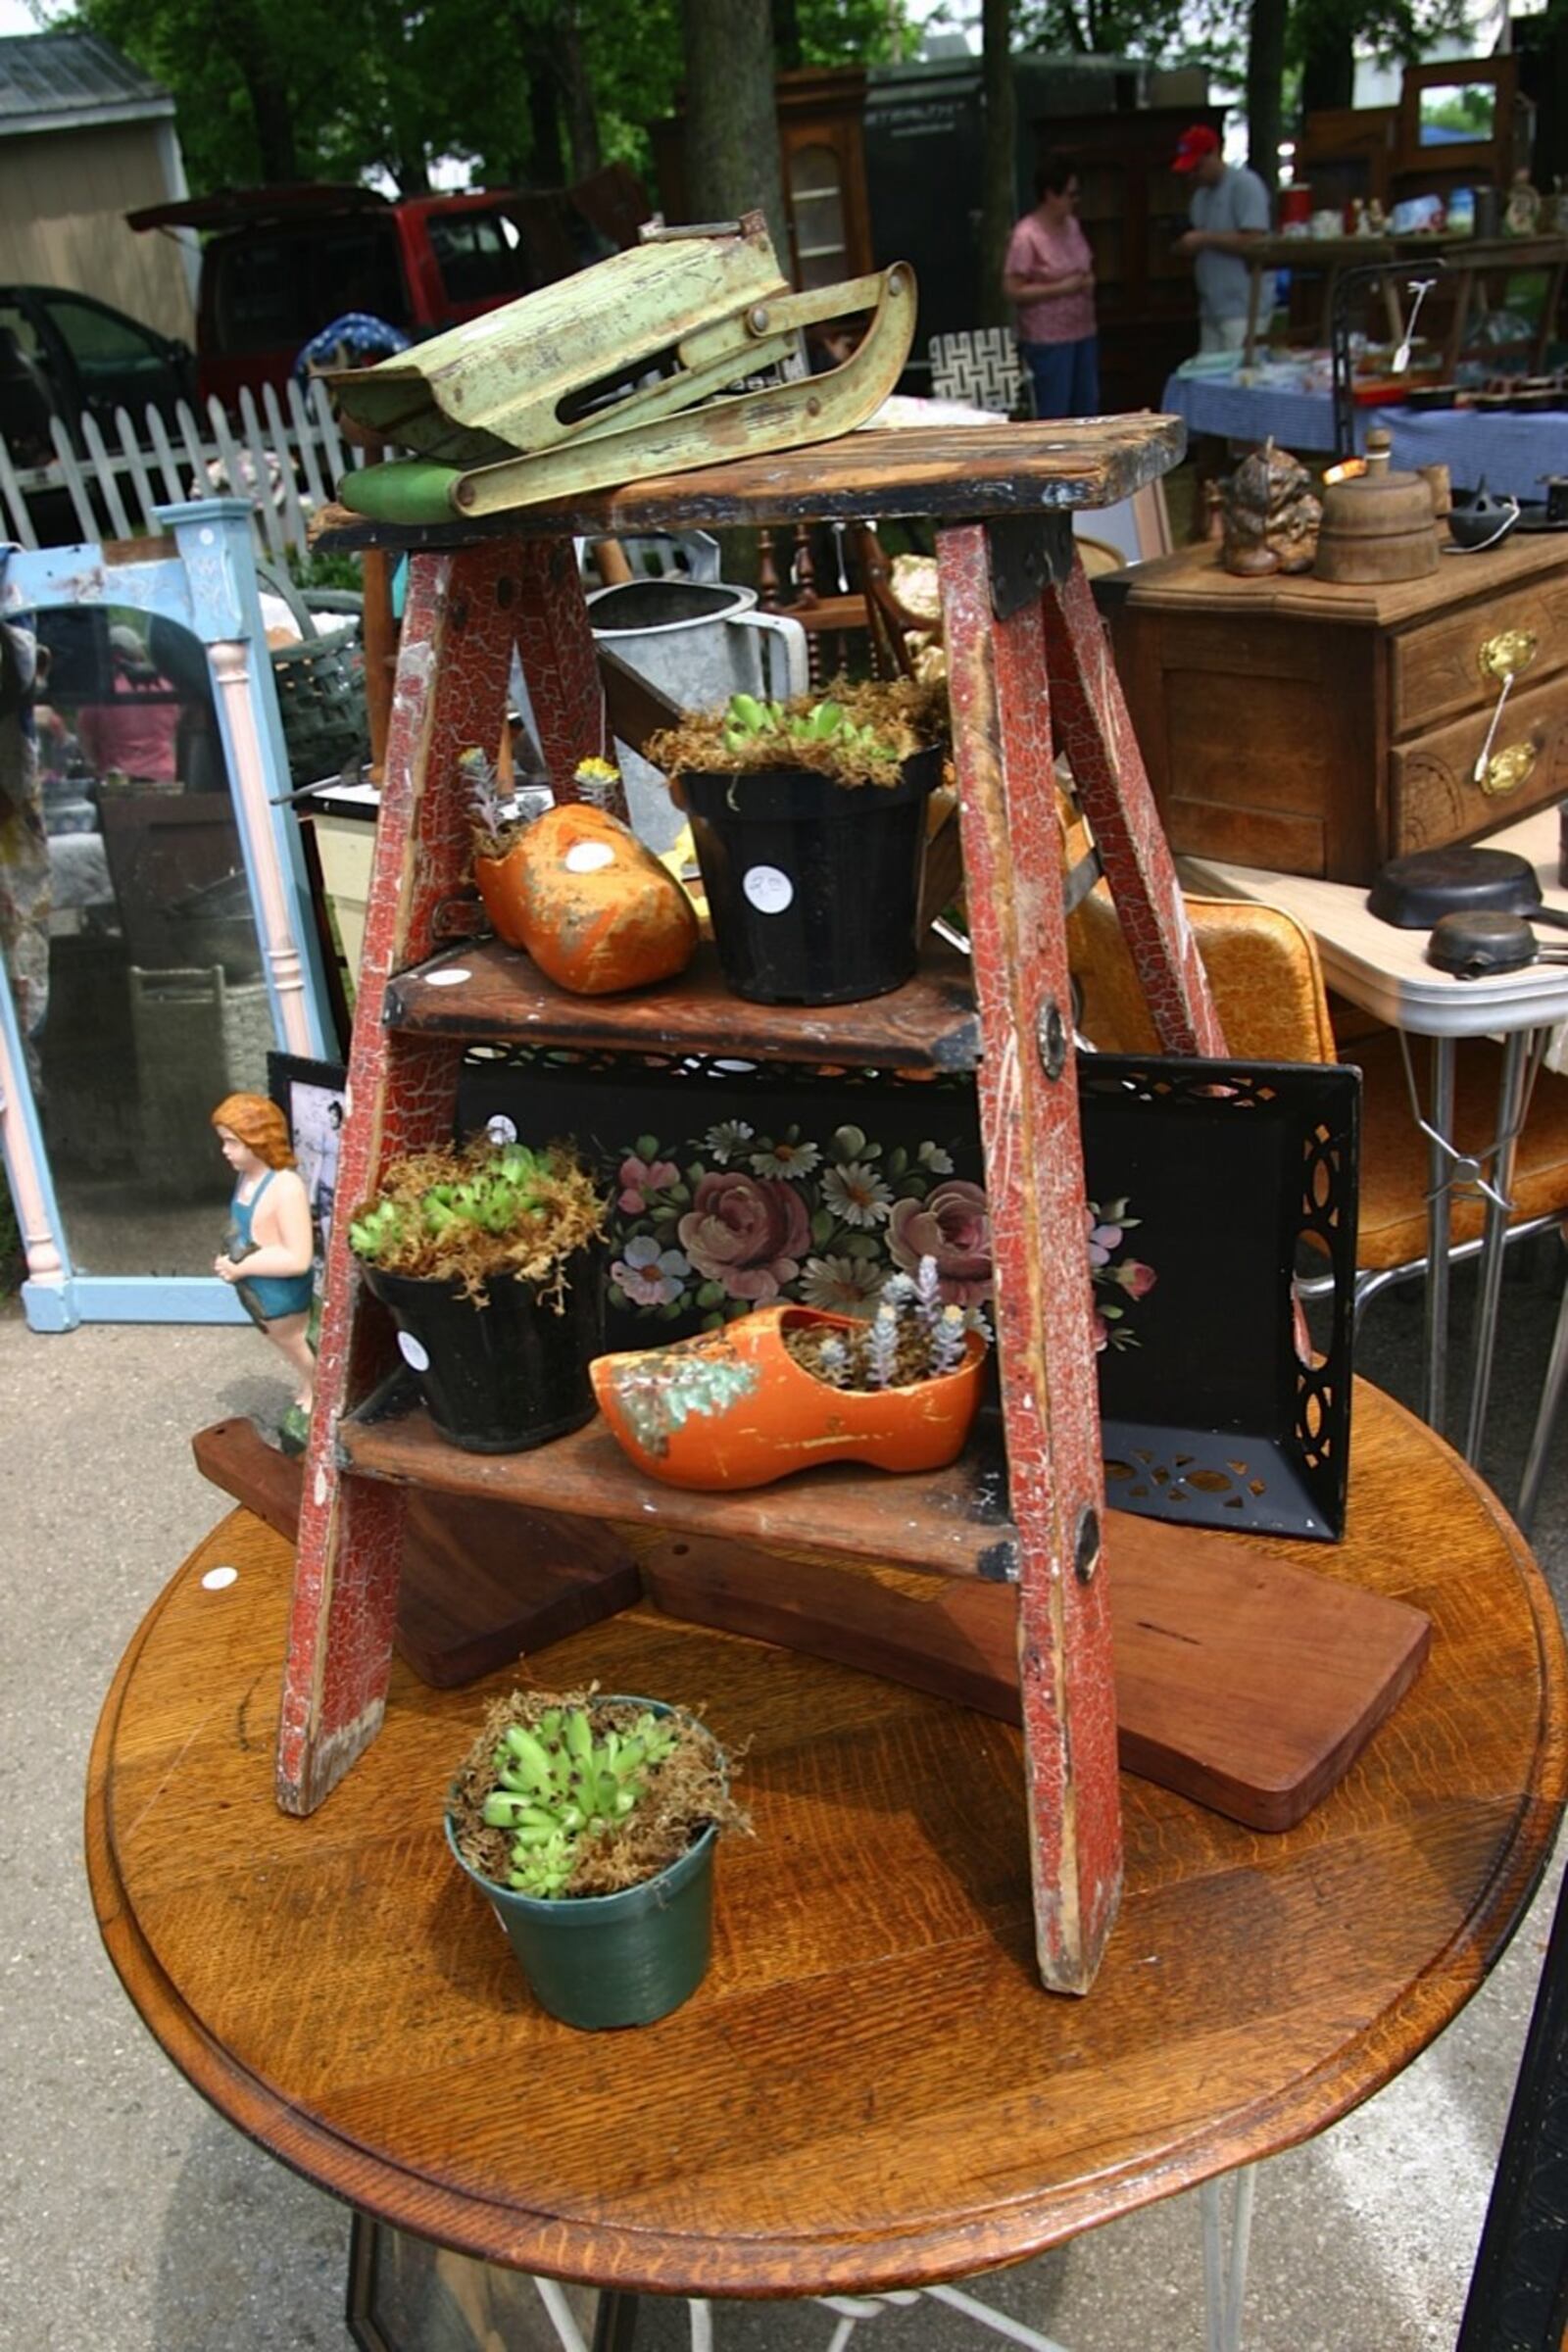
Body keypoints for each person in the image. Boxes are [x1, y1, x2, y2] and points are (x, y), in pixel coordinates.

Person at [211, 1092, 317, 1451]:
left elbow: (297, 1257)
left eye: (232, 1142)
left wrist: (242, 1266)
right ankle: (309, 1384)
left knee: (295, 1341)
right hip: (255, 1286)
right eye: (224, 1141)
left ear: (259, 1139)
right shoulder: (247, 1178)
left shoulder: (285, 1187)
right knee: (281, 1342)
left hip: (279, 1291)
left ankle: (322, 1391)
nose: (225, 1151)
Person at [1003, 156, 1099, 420]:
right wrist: (1060, 288)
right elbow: (1012, 289)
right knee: (1055, 411)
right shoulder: (1027, 235)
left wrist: (1087, 280)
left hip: (1083, 331)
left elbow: (1084, 264)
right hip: (1048, 339)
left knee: (1087, 408)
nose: (1075, 200)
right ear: (1050, 194)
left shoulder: (1072, 225)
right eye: (1070, 194)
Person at [1172, 124, 1271, 356]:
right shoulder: (1200, 196)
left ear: (1215, 152)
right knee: (1210, 381)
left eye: (1198, 167)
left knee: (1240, 380)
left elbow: (1255, 241)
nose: (1194, 175)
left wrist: (1204, 239)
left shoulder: (1245, 185)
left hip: (1243, 308)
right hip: (1212, 309)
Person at [74, 624, 180, 786]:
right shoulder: (165, 687)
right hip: (164, 778)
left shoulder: (101, 693)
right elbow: (175, 731)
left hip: (118, 782)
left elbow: (87, 743)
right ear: (136, 651)